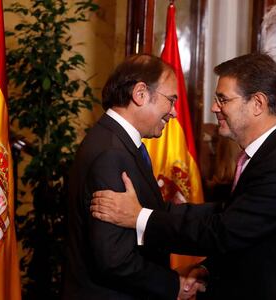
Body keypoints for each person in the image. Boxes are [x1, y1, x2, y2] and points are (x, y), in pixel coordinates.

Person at [91, 53, 276, 300]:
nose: (214, 107)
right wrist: (206, 267)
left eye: (223, 99)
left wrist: (140, 217)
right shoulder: (270, 155)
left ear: (257, 104)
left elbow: (223, 232)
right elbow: (234, 219)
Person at [62, 54, 201, 299]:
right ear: (140, 94)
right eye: (170, 101)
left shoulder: (116, 141)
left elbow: (149, 211)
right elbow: (113, 258)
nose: (174, 113)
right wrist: (172, 285)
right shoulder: (111, 153)